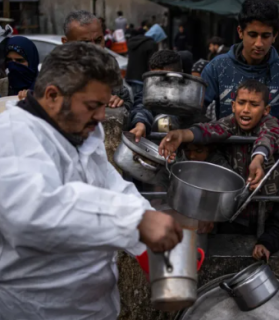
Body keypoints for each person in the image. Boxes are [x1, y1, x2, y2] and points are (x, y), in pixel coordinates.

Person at [0, 42, 183, 319]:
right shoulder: (13, 136)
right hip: (39, 309)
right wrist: (133, 221)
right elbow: (31, 216)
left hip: (94, 307)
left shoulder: (81, 128)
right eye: (92, 106)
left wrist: (150, 245)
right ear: (52, 95)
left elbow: (109, 183)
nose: (101, 116)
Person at [159, 79, 279, 227]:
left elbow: (268, 137)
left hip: (266, 207)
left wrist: (258, 159)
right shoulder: (230, 123)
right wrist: (182, 135)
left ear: (266, 110)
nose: (246, 109)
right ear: (233, 105)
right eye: (241, 102)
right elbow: (209, 130)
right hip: (233, 208)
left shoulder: (270, 123)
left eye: (254, 105)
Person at [201, 0, 279, 120]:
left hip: (271, 138)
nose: (259, 43)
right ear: (240, 32)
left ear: (274, 36)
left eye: (266, 36)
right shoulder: (217, 67)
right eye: (252, 35)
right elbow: (196, 109)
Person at [62, 10, 132, 110]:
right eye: (85, 43)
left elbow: (127, 100)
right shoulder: (57, 71)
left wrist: (119, 103)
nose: (95, 48)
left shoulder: (109, 63)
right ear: (66, 43)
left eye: (98, 41)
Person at [129, 49, 183, 141]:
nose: (158, 83)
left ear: (180, 74)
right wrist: (140, 123)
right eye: (154, 77)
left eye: (165, 78)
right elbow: (142, 106)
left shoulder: (189, 96)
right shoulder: (149, 91)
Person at [126, 23, 166, 95]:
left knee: (135, 100)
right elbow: (152, 63)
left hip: (130, 75)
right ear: (157, 35)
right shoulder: (151, 44)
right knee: (140, 102)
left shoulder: (135, 41)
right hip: (141, 77)